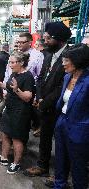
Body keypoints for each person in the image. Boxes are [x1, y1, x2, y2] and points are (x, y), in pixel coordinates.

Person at [24, 22, 72, 179]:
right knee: (44, 138)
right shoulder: (49, 54)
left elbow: (63, 85)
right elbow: (40, 79)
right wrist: (39, 97)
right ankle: (42, 166)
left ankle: (60, 174)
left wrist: (46, 101)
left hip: (60, 107)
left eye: (48, 39)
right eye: (44, 38)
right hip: (44, 105)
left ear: (59, 40)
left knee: (61, 142)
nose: (44, 42)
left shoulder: (70, 56)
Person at [0, 51, 35, 174]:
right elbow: (8, 87)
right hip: (10, 109)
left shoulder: (28, 76)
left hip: (20, 112)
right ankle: (4, 158)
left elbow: (27, 97)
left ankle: (16, 163)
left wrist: (17, 90)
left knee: (17, 138)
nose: (10, 64)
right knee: (5, 134)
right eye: (9, 62)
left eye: (12, 62)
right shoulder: (14, 74)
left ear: (21, 62)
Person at [54, 44, 89, 189]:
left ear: (78, 60)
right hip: (62, 123)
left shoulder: (87, 81)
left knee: (78, 165)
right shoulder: (68, 76)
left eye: (66, 60)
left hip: (80, 128)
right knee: (60, 160)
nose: (63, 63)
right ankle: (59, 185)